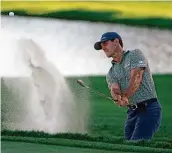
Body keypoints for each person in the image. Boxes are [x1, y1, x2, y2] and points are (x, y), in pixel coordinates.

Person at [94, 32, 162, 141]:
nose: (103, 48)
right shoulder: (111, 72)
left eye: (105, 43)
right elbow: (114, 89)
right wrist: (118, 97)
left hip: (148, 109)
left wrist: (125, 96)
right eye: (101, 46)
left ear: (116, 42)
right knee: (128, 146)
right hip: (132, 112)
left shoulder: (134, 55)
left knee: (136, 145)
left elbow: (137, 78)